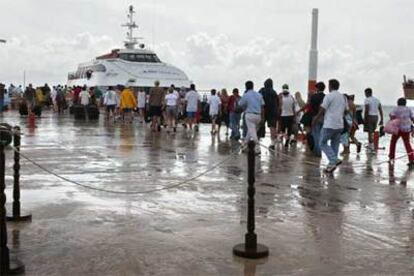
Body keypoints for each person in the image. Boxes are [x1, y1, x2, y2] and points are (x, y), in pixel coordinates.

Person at [312, 79, 348, 173]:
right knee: (334, 145)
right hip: (340, 125)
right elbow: (346, 111)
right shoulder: (343, 97)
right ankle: (331, 165)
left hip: (329, 124)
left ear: (331, 86)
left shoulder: (329, 96)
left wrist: (316, 118)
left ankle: (334, 159)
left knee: (322, 143)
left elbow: (322, 109)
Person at [239, 81, 264, 154]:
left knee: (252, 131)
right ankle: (244, 145)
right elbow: (262, 106)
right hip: (258, 115)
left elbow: (240, 104)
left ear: (246, 87)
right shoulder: (259, 95)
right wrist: (263, 117)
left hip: (249, 115)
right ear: (253, 86)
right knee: (251, 131)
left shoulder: (246, 95)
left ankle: (257, 147)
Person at [388, 97, 414, 167]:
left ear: (398, 103)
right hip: (406, 129)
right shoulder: (408, 109)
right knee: (407, 143)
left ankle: (391, 157)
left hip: (397, 129)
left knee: (393, 142)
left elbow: (391, 115)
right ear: (405, 103)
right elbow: (412, 118)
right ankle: (411, 159)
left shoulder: (396, 109)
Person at [259, 78, 279, 150]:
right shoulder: (274, 92)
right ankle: (272, 143)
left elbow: (259, 100)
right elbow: (277, 102)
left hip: (263, 110)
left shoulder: (262, 91)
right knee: (272, 127)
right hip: (273, 112)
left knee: (260, 125)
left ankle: (257, 141)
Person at [309, 82, 326, 157]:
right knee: (321, 135)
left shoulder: (313, 97)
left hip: (315, 117)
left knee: (316, 135)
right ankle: (318, 151)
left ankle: (318, 152)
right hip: (324, 118)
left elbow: (310, 106)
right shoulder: (326, 97)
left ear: (317, 88)